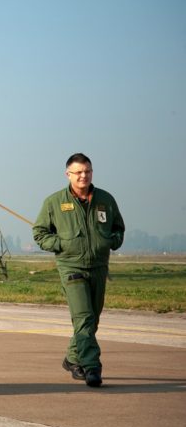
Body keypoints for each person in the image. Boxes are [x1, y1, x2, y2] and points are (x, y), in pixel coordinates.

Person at [33, 153, 124, 388]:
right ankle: (92, 367)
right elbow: (40, 233)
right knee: (83, 317)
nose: (84, 176)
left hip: (98, 266)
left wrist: (110, 241)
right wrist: (61, 245)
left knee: (92, 320)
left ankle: (72, 358)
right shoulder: (54, 202)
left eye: (88, 171)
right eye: (79, 172)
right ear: (68, 174)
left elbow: (118, 228)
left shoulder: (105, 200)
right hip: (71, 267)